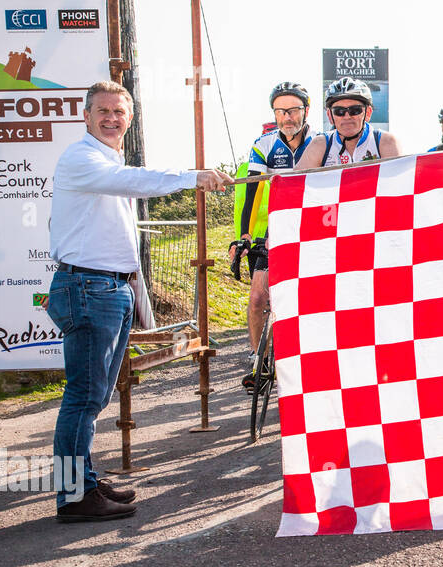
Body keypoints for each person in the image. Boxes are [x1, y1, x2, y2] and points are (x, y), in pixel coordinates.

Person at [47, 80, 233, 522]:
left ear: (129, 120)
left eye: (120, 112)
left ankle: (85, 483)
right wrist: (193, 177)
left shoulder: (106, 160)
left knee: (93, 397)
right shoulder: (82, 157)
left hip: (107, 289)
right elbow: (131, 181)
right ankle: (75, 497)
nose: (112, 118)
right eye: (103, 111)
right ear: (86, 116)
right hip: (89, 289)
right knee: (83, 398)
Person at [229, 81, 314, 389]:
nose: (286, 117)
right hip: (274, 232)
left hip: (311, 230)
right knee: (257, 297)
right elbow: (252, 190)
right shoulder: (263, 145)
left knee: (306, 302)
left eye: (292, 110)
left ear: (306, 110)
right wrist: (245, 235)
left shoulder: (320, 142)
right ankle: (259, 359)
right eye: (280, 111)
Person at [297, 77, 402, 168]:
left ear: (368, 113)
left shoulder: (386, 142)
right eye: (339, 111)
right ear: (330, 115)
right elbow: (294, 185)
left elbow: (400, 185)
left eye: (355, 110)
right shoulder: (320, 144)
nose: (347, 117)